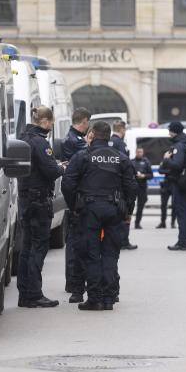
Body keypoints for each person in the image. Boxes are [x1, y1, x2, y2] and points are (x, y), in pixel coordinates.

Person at [61, 121, 138, 311]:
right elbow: (132, 187)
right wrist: (128, 211)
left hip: (89, 210)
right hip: (114, 210)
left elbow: (68, 184)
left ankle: (95, 298)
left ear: (92, 135)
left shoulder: (82, 156)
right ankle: (109, 298)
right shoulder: (121, 158)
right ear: (109, 135)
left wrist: (75, 206)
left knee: (91, 255)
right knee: (111, 254)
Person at [17, 106, 65, 308]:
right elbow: (51, 171)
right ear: (44, 121)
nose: (51, 126)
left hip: (26, 200)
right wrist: (62, 167)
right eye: (51, 123)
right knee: (38, 247)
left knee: (26, 248)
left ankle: (25, 294)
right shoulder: (40, 142)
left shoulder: (23, 139)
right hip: (39, 202)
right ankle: (34, 294)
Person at [61, 108, 90, 302]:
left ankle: (74, 281)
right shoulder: (74, 141)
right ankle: (73, 282)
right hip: (78, 199)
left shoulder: (75, 139)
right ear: (84, 121)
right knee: (74, 244)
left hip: (78, 198)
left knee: (75, 243)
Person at [162, 121, 186, 251]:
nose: (169, 134)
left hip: (181, 182)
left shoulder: (179, 145)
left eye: (170, 131)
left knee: (181, 212)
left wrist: (167, 159)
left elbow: (177, 164)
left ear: (174, 131)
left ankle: (182, 242)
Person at [111, 120, 137, 250]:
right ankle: (124, 241)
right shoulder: (121, 144)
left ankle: (115, 239)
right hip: (122, 183)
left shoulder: (109, 141)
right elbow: (125, 163)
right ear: (122, 130)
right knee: (125, 211)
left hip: (111, 183)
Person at [131, 147, 153, 229]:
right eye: (138, 152)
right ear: (135, 152)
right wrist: (135, 176)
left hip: (142, 187)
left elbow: (151, 175)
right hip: (133, 186)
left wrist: (144, 176)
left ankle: (137, 223)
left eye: (141, 152)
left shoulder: (146, 162)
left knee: (140, 206)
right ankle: (127, 222)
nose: (139, 153)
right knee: (130, 205)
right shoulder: (131, 162)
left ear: (143, 153)